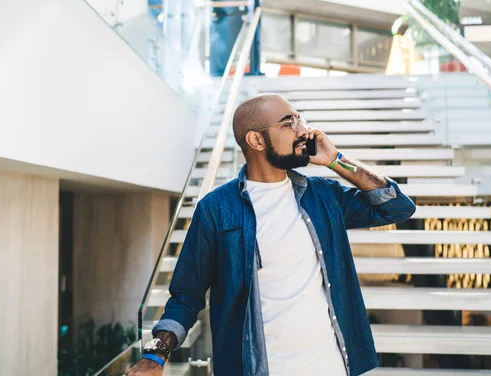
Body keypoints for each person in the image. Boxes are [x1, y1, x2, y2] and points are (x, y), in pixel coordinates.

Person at [127, 94, 416, 376]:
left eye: (300, 120)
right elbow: (186, 296)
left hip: (332, 366)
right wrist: (156, 355)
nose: (304, 131)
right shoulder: (216, 209)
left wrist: (336, 160)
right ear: (256, 140)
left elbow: (397, 208)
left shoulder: (323, 197)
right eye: (289, 123)